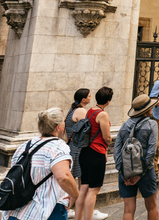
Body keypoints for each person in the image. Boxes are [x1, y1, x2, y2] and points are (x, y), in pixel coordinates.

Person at [2, 108, 79, 220]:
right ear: (58, 127)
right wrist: (75, 195)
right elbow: (64, 177)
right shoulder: (58, 147)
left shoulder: (25, 146)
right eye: (63, 121)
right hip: (47, 210)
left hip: (16, 210)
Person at [114, 95, 159, 220]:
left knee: (128, 210)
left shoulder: (124, 125)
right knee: (151, 206)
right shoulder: (152, 124)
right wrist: (140, 174)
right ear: (147, 109)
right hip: (146, 171)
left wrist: (123, 173)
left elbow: (116, 151)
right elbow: (151, 152)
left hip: (126, 170)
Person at [65, 89, 107, 220]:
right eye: (89, 96)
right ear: (84, 99)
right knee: (82, 184)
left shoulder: (71, 110)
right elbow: (87, 130)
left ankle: (79, 210)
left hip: (73, 147)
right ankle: (78, 209)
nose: (90, 98)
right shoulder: (82, 111)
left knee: (81, 184)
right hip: (81, 148)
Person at [76, 86, 112, 220]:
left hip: (85, 152)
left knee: (83, 188)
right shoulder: (102, 114)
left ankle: (78, 218)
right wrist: (108, 144)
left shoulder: (90, 110)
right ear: (108, 101)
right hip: (96, 153)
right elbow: (107, 137)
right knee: (93, 190)